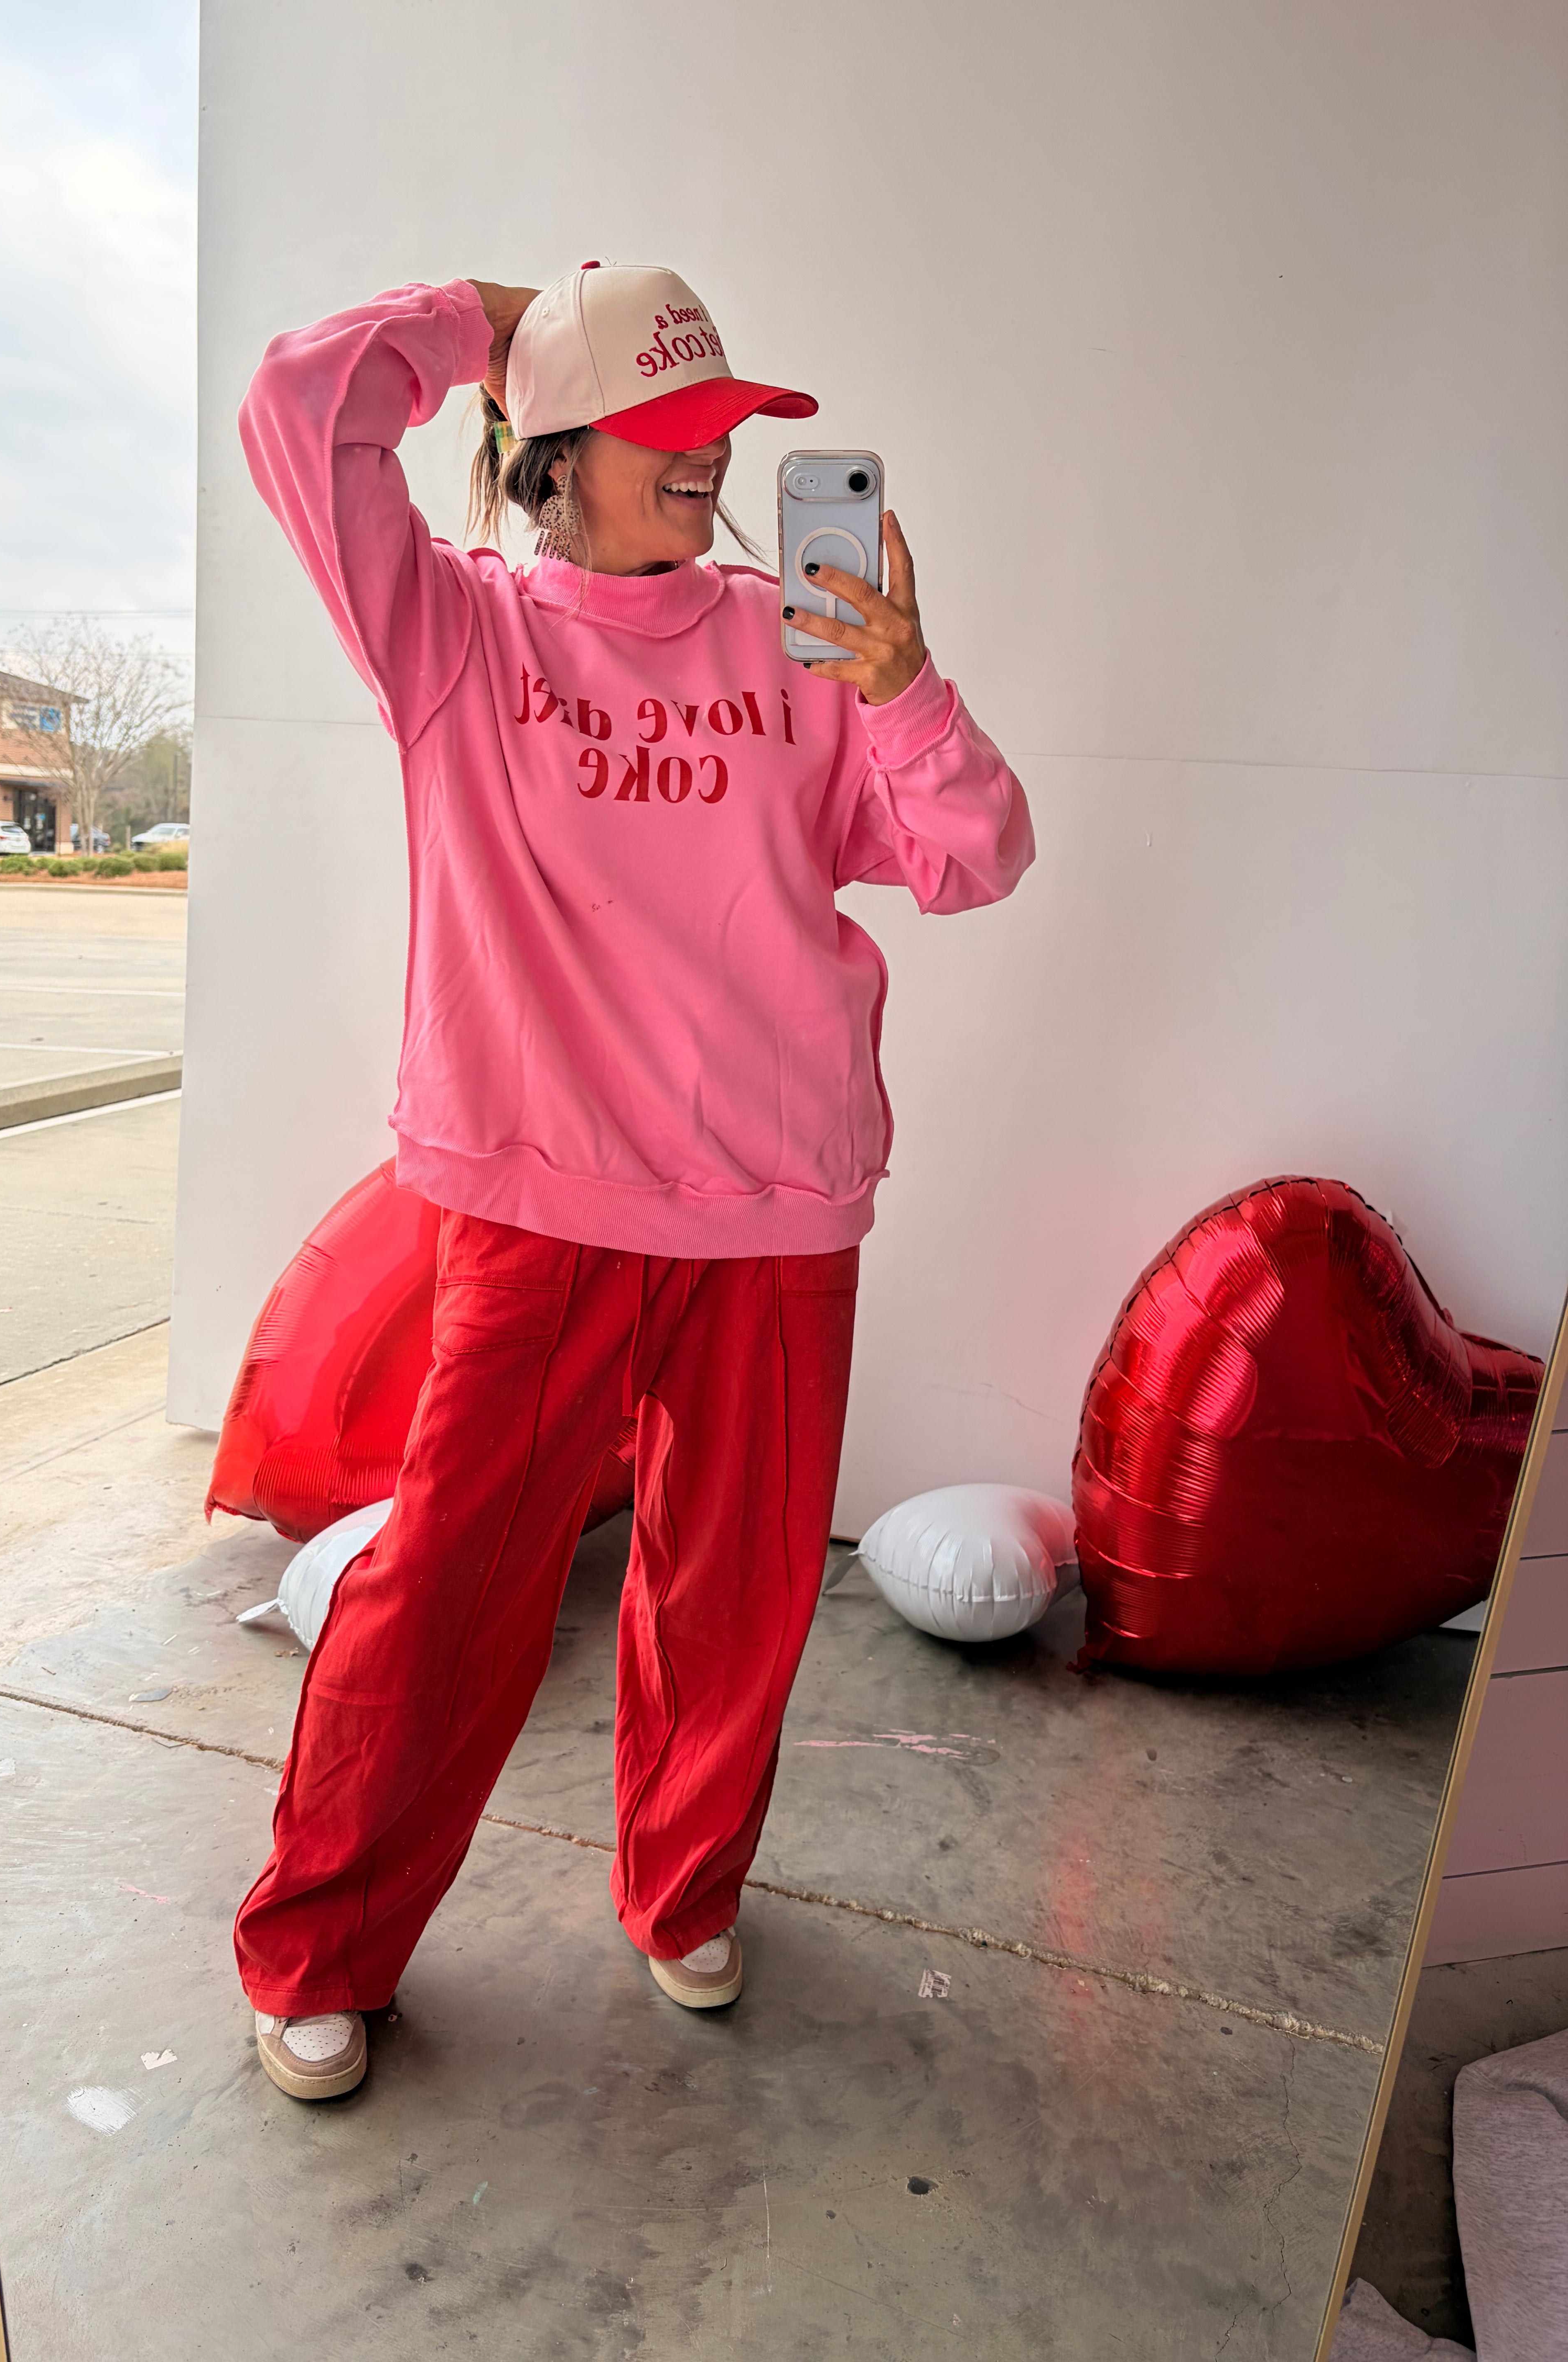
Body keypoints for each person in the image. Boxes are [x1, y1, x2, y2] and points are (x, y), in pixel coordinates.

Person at [232, 261, 1035, 2100]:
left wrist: (906, 690)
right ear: (551, 451)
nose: (707, 459)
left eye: (721, 426)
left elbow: (975, 858)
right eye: (663, 428)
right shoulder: (454, 631)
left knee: (738, 1593)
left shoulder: (798, 643)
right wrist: (481, 317)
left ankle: (685, 1887)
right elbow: (297, 408)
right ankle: (321, 1946)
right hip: (542, 1201)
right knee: (449, 1592)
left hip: (779, 1200)